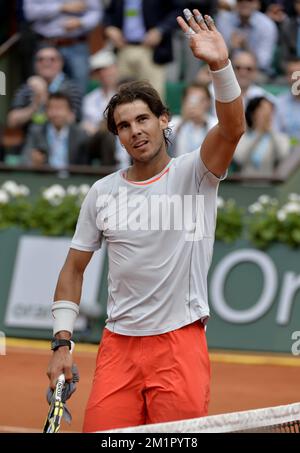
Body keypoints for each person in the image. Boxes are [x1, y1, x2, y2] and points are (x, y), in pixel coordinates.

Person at [47, 8, 245, 432]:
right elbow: (73, 268)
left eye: (142, 119)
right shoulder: (102, 192)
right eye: (123, 125)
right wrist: (61, 343)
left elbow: (231, 129)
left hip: (179, 343)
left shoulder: (196, 172)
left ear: (163, 120)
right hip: (117, 346)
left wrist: (220, 66)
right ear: (116, 136)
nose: (135, 131)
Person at [22, 92, 89, 168]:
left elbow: (85, 166)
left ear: (69, 112)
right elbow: (25, 159)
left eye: (60, 108)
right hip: (45, 178)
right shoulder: (36, 132)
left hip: (72, 178)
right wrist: (34, 162)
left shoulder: (80, 134)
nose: (55, 113)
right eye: (52, 108)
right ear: (46, 111)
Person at [233, 96, 290, 176]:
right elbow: (240, 158)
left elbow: (283, 156)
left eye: (270, 111)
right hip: (244, 184)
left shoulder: (280, 138)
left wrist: (270, 131)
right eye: (262, 111)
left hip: (269, 185)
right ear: (253, 114)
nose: (267, 115)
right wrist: (259, 133)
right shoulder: (242, 137)